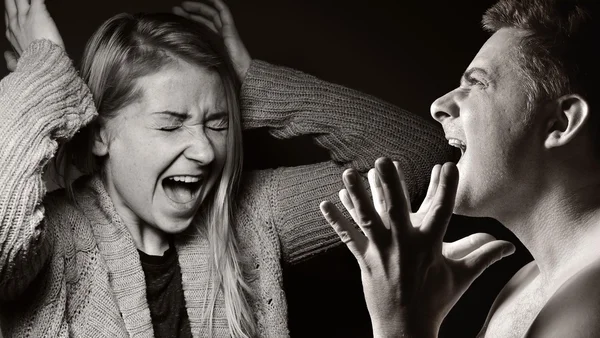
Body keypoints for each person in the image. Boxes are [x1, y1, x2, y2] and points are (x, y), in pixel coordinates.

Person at [0, 0, 455, 336]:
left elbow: (420, 159)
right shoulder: (52, 240)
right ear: (101, 133)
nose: (204, 150)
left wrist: (252, 83)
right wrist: (45, 76)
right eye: (172, 124)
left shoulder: (255, 216)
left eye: (217, 124)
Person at [321, 0, 600, 337]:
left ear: (560, 122)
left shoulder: (588, 303)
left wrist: (399, 320)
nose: (439, 106)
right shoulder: (526, 282)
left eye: (477, 84)